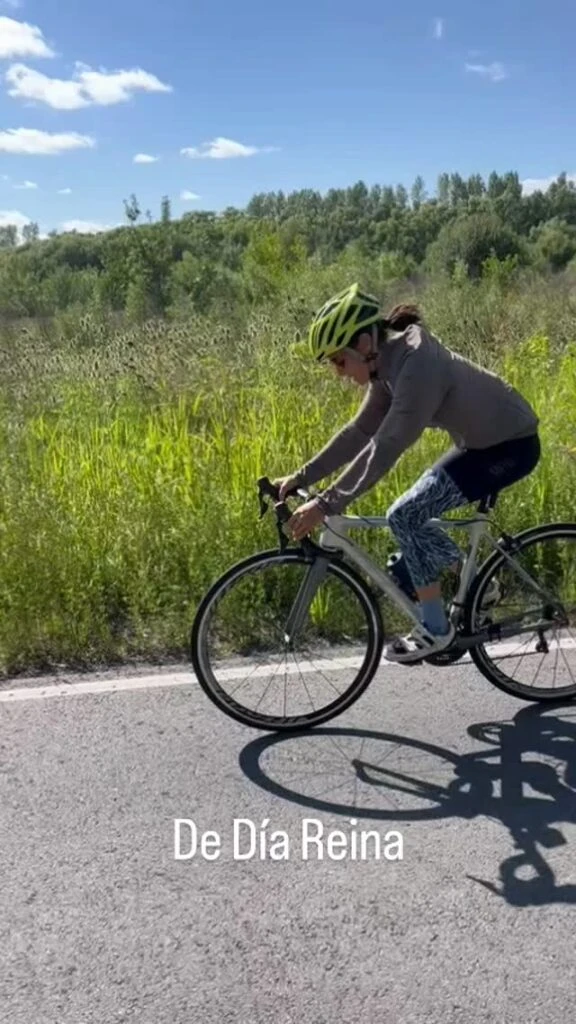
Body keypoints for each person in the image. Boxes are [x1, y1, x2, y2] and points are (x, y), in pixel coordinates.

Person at [274, 282, 541, 663]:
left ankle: (435, 629)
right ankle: (483, 585)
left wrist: (326, 503)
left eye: (338, 360)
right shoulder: (386, 366)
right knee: (409, 520)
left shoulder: (417, 366)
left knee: (405, 515)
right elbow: (360, 431)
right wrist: (302, 477)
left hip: (512, 445)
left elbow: (384, 448)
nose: (338, 372)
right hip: (479, 446)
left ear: (365, 343)